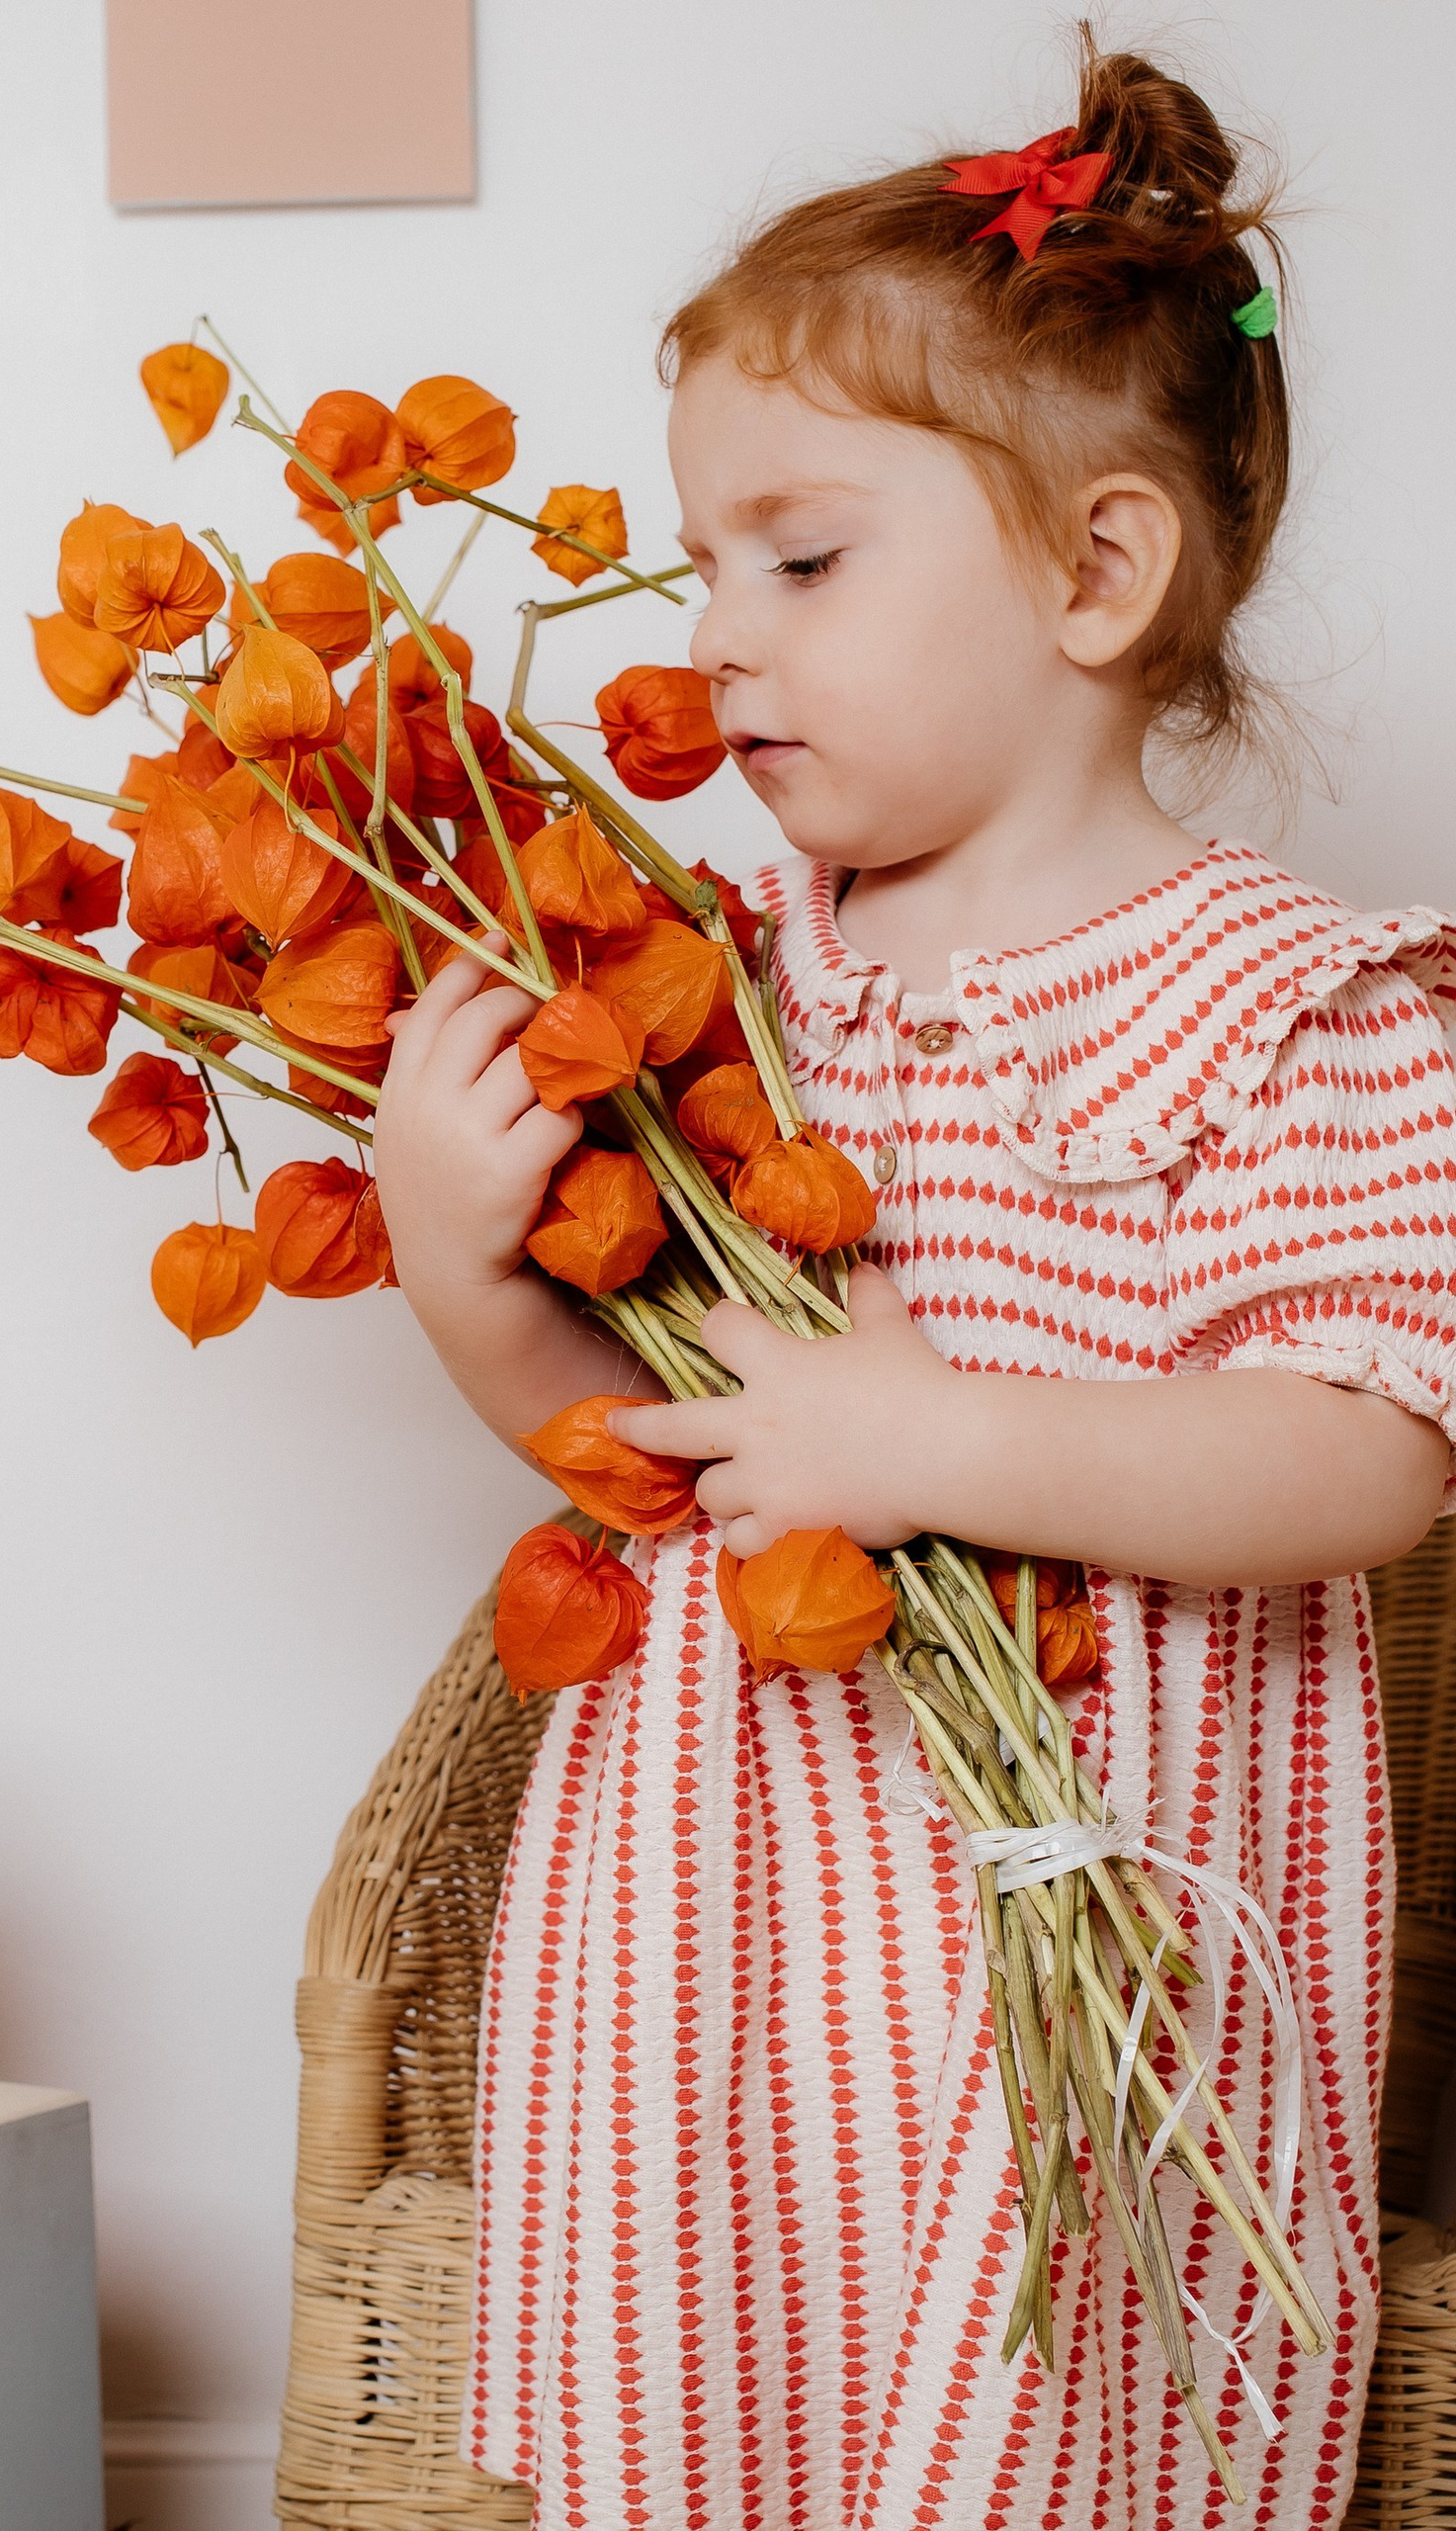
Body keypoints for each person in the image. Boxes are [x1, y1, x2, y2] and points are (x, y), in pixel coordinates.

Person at [374, 39, 1456, 2528]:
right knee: (723, 2422)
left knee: (1048, 2431)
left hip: (1064, 1929)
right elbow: (647, 1453)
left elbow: (1361, 1454)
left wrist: (924, 1434)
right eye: (700, 567)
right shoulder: (731, 986)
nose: (714, 641)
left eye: (800, 561)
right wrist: (459, 1265)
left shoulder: (1287, 1006)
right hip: (720, 1938)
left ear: (1093, 573)